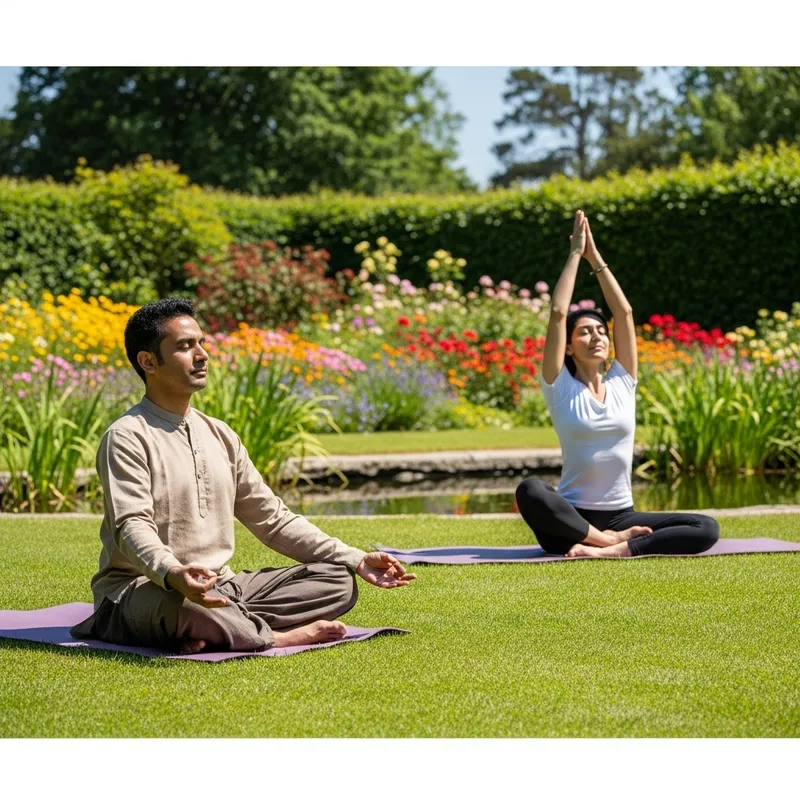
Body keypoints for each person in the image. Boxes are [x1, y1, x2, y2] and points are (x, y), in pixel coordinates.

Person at [71, 298, 416, 654]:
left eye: (202, 343)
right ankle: (273, 636)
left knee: (337, 580)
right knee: (185, 606)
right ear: (148, 362)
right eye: (186, 347)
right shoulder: (127, 436)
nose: (202, 354)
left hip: (224, 586)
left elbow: (273, 519)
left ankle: (224, 626)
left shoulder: (220, 434)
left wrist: (355, 558)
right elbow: (131, 526)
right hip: (144, 589)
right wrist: (173, 573)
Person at [515, 210, 720, 559]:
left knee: (706, 527)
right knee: (530, 490)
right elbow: (557, 314)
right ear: (568, 345)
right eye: (584, 332)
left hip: (623, 514)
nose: (596, 336)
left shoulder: (623, 383)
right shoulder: (560, 387)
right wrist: (574, 255)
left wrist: (595, 258)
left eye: (599, 331)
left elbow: (623, 314)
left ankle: (615, 548)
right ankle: (605, 541)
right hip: (571, 523)